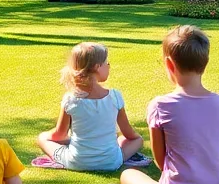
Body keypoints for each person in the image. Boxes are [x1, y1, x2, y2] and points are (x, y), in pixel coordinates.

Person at [102, 26, 219, 184]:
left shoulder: (160, 105)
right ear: (205, 62)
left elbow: (160, 162)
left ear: (169, 64)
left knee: (128, 174)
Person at [37, 42, 144, 170]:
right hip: (111, 162)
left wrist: (49, 136)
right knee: (132, 140)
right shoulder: (115, 96)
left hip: (76, 162)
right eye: (106, 62)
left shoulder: (71, 99)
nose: (109, 65)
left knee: (42, 138)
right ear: (97, 67)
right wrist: (135, 139)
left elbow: (59, 135)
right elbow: (129, 134)